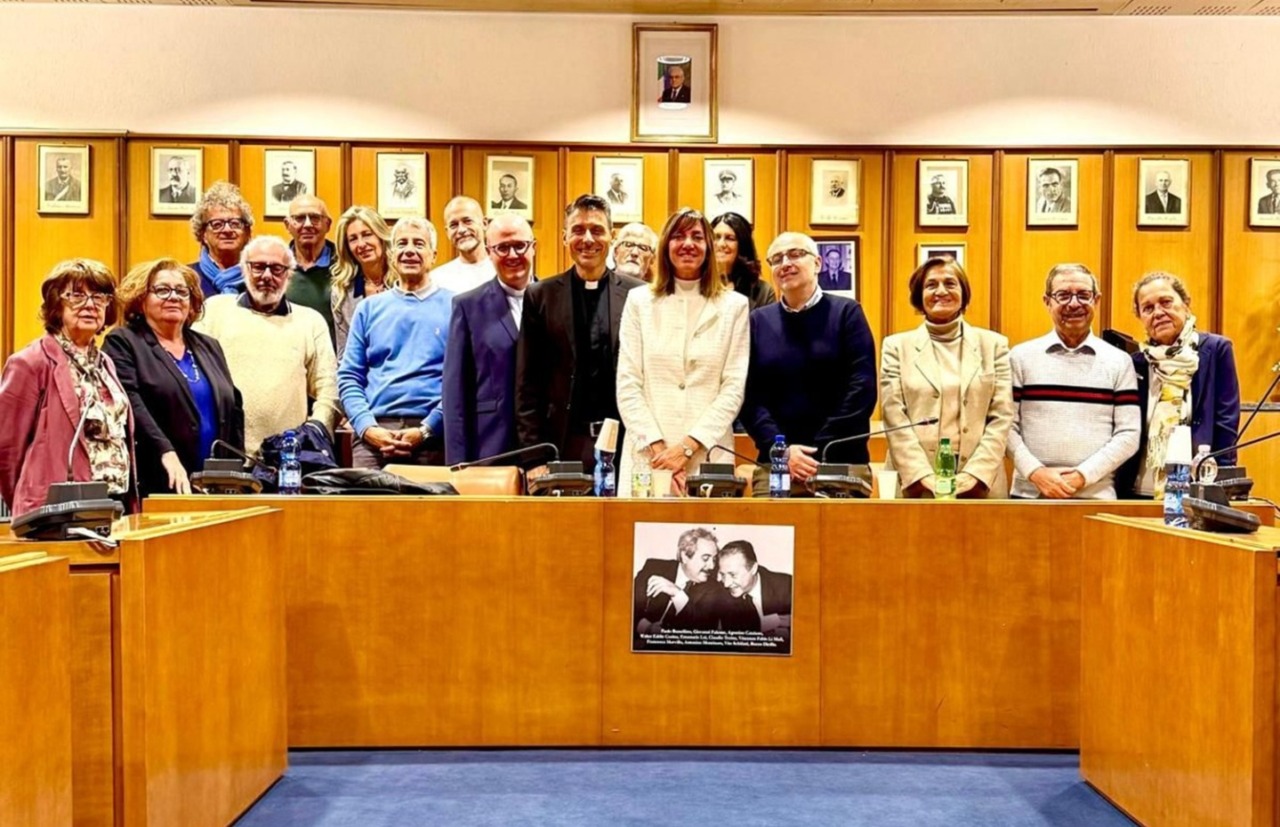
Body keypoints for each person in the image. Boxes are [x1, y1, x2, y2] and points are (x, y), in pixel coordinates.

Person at [616, 208, 750, 496]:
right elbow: (627, 384)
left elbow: (733, 388)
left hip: (708, 453)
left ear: (708, 247)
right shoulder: (639, 301)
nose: (687, 244)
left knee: (709, 539)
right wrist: (660, 449)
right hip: (649, 454)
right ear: (665, 246)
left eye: (697, 237)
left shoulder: (735, 306)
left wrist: (687, 448)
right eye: (678, 236)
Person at [515, 195, 645, 475]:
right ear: (564, 237)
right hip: (563, 440)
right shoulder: (541, 296)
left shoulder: (639, 294)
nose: (587, 239)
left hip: (626, 443)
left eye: (597, 230)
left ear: (612, 236)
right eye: (577, 230)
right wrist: (534, 457)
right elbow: (528, 383)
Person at [740, 232, 877, 495]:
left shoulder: (847, 313)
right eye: (776, 259)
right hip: (776, 466)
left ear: (817, 263)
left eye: (795, 254)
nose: (785, 263)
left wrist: (815, 452)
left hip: (840, 462)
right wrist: (784, 452)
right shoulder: (758, 321)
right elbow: (749, 396)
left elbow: (862, 388)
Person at [0, 260, 133, 517]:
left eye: (99, 296)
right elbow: (6, 449)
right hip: (58, 509)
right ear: (55, 305)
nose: (90, 304)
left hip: (114, 504)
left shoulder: (104, 363)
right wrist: (31, 503)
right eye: (76, 295)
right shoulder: (31, 362)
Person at [103, 259, 243, 497]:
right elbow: (130, 404)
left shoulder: (208, 346)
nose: (174, 297)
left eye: (181, 291)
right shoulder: (124, 342)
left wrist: (237, 474)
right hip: (157, 478)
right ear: (140, 299)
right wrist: (165, 451)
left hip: (214, 485)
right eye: (162, 290)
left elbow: (233, 407)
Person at [880, 257, 1014, 498]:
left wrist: (975, 474)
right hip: (914, 483)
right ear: (919, 294)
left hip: (981, 483)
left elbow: (1001, 416)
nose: (941, 291)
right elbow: (894, 417)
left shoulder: (994, 345)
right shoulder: (896, 346)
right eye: (931, 285)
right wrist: (922, 476)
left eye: (950, 283)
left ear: (963, 292)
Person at [196, 236, 341, 457]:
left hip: (286, 460)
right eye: (258, 267)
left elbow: (329, 388)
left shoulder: (310, 321)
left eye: (276, 269)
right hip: (222, 455)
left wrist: (314, 430)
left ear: (289, 275)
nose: (267, 275)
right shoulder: (215, 311)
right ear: (244, 270)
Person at [1006, 263, 1140, 499]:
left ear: (1096, 300)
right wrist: (1037, 473)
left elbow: (1128, 434)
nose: (1074, 303)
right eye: (1063, 295)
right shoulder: (1020, 357)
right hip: (1030, 495)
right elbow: (1005, 427)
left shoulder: (1119, 361)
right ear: (1047, 302)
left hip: (1095, 496)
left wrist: (1081, 476)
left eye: (1083, 295)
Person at [339, 216, 452, 468]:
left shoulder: (457, 307)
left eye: (418, 244)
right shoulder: (368, 309)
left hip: (435, 436)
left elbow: (462, 380)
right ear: (391, 254)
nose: (409, 250)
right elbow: (349, 377)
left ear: (433, 255)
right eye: (402, 243)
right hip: (374, 436)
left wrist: (426, 429)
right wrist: (367, 428)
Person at [1116, 272, 1240, 499]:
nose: (1158, 313)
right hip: (1138, 490)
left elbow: (1226, 424)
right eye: (1148, 308)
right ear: (1140, 317)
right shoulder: (1136, 363)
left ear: (1185, 304)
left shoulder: (1215, 350)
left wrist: (1223, 487)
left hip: (1196, 489)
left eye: (1166, 302)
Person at [442, 215, 535, 466]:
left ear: (533, 246)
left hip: (545, 448)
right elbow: (455, 395)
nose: (512, 254)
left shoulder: (553, 298)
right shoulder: (467, 306)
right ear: (489, 252)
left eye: (520, 245)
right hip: (490, 446)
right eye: (502, 248)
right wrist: (458, 465)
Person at [632, 528, 742, 638]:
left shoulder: (714, 587)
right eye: (705, 558)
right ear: (685, 556)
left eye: (713, 559)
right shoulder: (654, 567)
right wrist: (646, 628)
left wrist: (678, 594)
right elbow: (627, 607)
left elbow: (702, 630)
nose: (712, 566)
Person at [330, 205, 395, 360]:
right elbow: (344, 353)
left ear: (381, 236)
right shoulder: (341, 292)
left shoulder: (404, 281)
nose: (361, 244)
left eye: (367, 235)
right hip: (362, 378)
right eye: (353, 239)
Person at [716, 540, 792, 647]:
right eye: (723, 575)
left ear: (753, 568)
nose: (726, 584)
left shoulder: (787, 586)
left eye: (733, 575)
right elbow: (736, 639)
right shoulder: (722, 595)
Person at [283, 195, 337, 343]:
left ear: (328, 224)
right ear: (288, 225)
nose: (307, 224)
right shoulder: (275, 266)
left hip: (333, 360)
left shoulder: (345, 265)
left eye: (315, 218)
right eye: (299, 218)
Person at [188, 181, 254, 299]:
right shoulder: (187, 278)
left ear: (247, 233)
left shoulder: (262, 277)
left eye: (235, 223)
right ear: (203, 234)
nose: (227, 230)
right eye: (217, 224)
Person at [710, 212, 775, 311]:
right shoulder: (695, 283)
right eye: (716, 237)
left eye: (730, 238)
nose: (721, 244)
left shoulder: (763, 292)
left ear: (743, 245)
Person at [432, 196, 497, 295]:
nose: (461, 230)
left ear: (484, 223)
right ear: (447, 232)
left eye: (467, 221)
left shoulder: (505, 270)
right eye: (453, 225)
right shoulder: (437, 280)